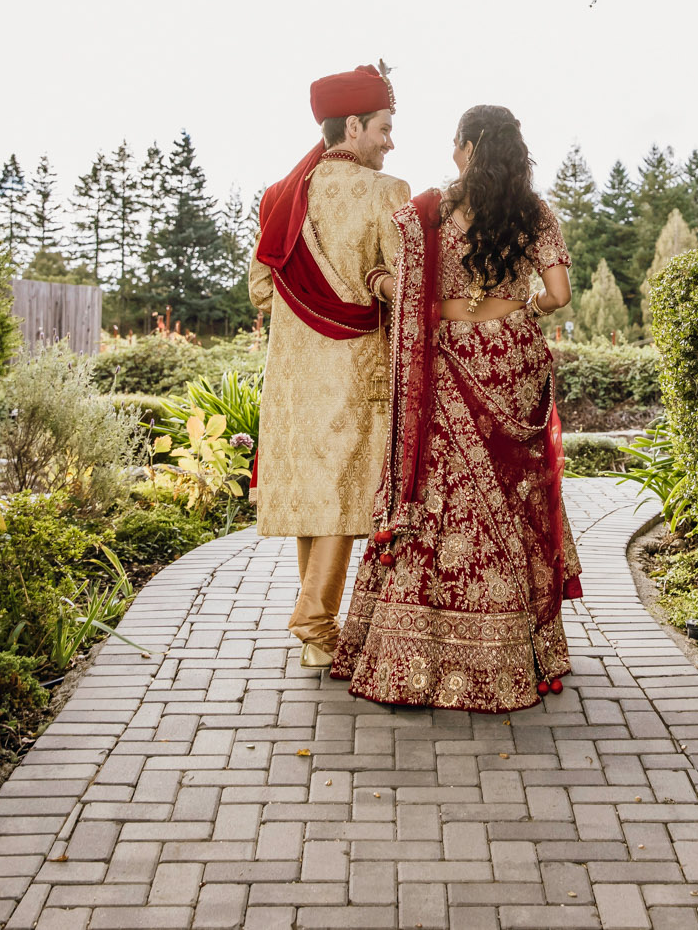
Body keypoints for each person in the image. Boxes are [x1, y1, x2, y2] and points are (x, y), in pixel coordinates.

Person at [330, 105, 583, 713]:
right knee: (511, 495)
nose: (450, 152)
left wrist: (380, 284)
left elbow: (409, 284)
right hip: (511, 359)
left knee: (439, 491)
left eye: (454, 142)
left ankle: (411, 650)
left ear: (470, 146)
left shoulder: (431, 211)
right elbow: (559, 294)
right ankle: (521, 647)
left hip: (444, 357)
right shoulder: (535, 211)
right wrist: (518, 312)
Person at [248, 64, 410, 668]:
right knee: (345, 493)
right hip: (354, 366)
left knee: (319, 491)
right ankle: (315, 622)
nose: (391, 141)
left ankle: (319, 636)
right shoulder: (386, 193)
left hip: (291, 370)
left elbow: (261, 289)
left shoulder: (279, 196)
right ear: (353, 125)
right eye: (385, 128)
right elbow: (408, 290)